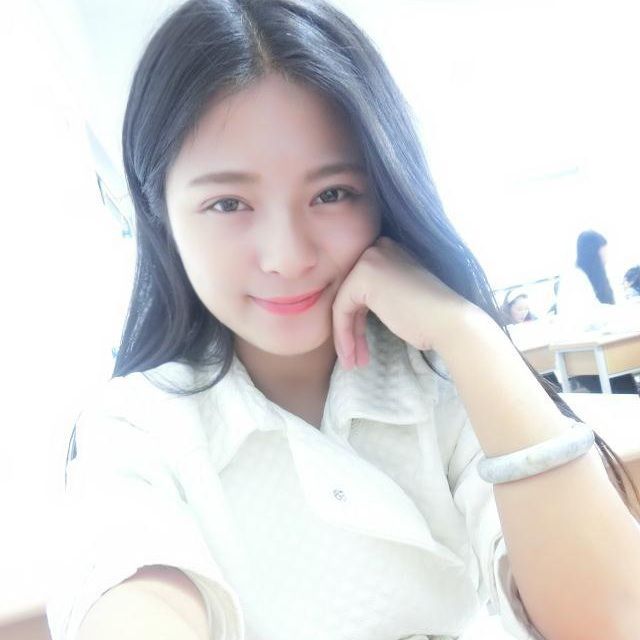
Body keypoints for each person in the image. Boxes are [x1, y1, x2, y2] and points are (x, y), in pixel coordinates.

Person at [46, 2, 640, 640]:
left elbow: (609, 620)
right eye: (228, 203)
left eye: (331, 194)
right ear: (159, 212)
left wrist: (470, 335)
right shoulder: (136, 429)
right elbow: (132, 595)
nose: (287, 256)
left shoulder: (442, 385)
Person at [556, 230, 638, 393]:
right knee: (625, 393)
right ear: (593, 254)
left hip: (601, 351)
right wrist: (619, 316)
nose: (606, 260)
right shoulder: (574, 278)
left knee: (628, 389)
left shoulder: (595, 277)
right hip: (584, 354)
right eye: (603, 254)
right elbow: (588, 318)